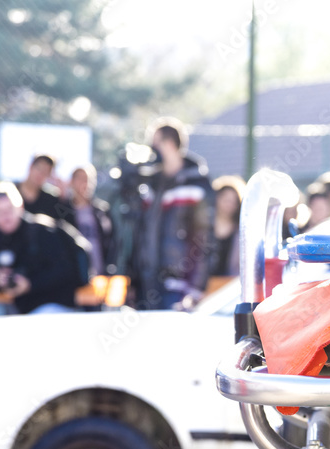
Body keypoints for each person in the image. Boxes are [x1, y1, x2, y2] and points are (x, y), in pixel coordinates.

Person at [128, 118, 216, 310]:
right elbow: (139, 236)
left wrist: (195, 288)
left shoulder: (197, 184)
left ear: (168, 144)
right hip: (147, 285)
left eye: (155, 143)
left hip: (178, 289)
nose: (151, 149)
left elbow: (204, 239)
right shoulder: (151, 184)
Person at [0, 182, 90, 315]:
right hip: (21, 310)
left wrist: (30, 284)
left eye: (9, 209)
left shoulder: (42, 231)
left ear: (20, 206)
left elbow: (65, 270)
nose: (6, 216)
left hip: (55, 307)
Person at [65, 165, 116, 277]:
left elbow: (112, 241)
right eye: (80, 178)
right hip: (73, 275)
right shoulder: (63, 211)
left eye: (88, 179)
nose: (85, 183)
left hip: (100, 275)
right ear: (72, 182)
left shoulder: (102, 211)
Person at [210, 175, 245, 277]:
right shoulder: (203, 226)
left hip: (229, 286)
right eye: (226, 200)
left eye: (233, 202)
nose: (229, 205)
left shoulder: (240, 232)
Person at [17, 154, 66, 223]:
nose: (40, 174)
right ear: (31, 167)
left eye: (45, 172)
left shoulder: (51, 199)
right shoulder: (10, 192)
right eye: (39, 169)